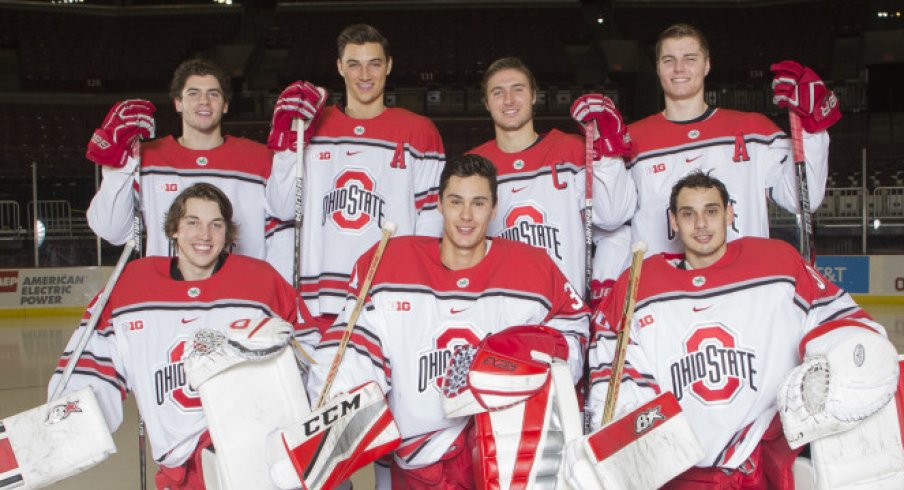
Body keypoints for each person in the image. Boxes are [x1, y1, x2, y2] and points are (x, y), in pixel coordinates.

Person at [581, 171, 897, 487]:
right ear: (673, 222)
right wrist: (633, 421)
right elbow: (611, 365)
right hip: (678, 467)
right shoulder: (639, 284)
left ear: (730, 214)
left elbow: (843, 321)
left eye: (712, 211)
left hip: (763, 453)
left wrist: (846, 355)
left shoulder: (777, 264)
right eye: (688, 214)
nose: (701, 224)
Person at [307, 154, 589, 488]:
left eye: (478, 203)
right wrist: (338, 411)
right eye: (456, 202)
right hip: (416, 461)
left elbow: (573, 336)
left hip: (500, 458)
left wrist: (526, 354)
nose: (466, 216)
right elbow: (352, 348)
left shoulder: (534, 269)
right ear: (439, 204)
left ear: (495, 208)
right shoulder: (389, 262)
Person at [50, 183, 318, 489]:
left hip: (256, 460)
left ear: (227, 233)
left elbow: (312, 353)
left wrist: (289, 357)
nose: (204, 235)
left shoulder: (261, 280)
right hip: (179, 469)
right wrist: (63, 429)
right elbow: (91, 366)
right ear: (174, 229)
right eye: (192, 223)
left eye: (215, 225)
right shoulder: (130, 286)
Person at [572, 23, 840, 258]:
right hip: (664, 295)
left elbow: (802, 199)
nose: (679, 68)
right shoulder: (631, 139)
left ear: (707, 64)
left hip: (742, 285)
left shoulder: (753, 129)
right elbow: (610, 218)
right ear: (657, 68)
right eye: (668, 60)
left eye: (690, 58)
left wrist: (811, 132)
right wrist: (606, 155)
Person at [268, 24, 445, 332]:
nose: (365, 75)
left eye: (374, 63)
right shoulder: (310, 126)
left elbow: (431, 225)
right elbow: (283, 209)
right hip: (318, 300)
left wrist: (417, 289)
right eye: (354, 64)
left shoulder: (419, 131)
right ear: (339, 67)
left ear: (389, 66)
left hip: (390, 296)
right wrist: (286, 147)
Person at [86, 58, 318, 274]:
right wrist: (117, 169)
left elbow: (287, 212)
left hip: (240, 297)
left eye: (213, 94)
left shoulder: (260, 158)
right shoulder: (146, 158)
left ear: (226, 104)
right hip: (170, 298)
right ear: (178, 103)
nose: (204, 101)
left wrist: (288, 154)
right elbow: (112, 232)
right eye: (193, 93)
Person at [467, 57, 636, 294]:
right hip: (501, 309)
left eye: (518, 89)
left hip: (566, 313)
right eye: (498, 93)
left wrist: (606, 152)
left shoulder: (571, 149)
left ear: (534, 95)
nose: (509, 100)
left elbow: (612, 217)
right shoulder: (473, 165)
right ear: (486, 102)